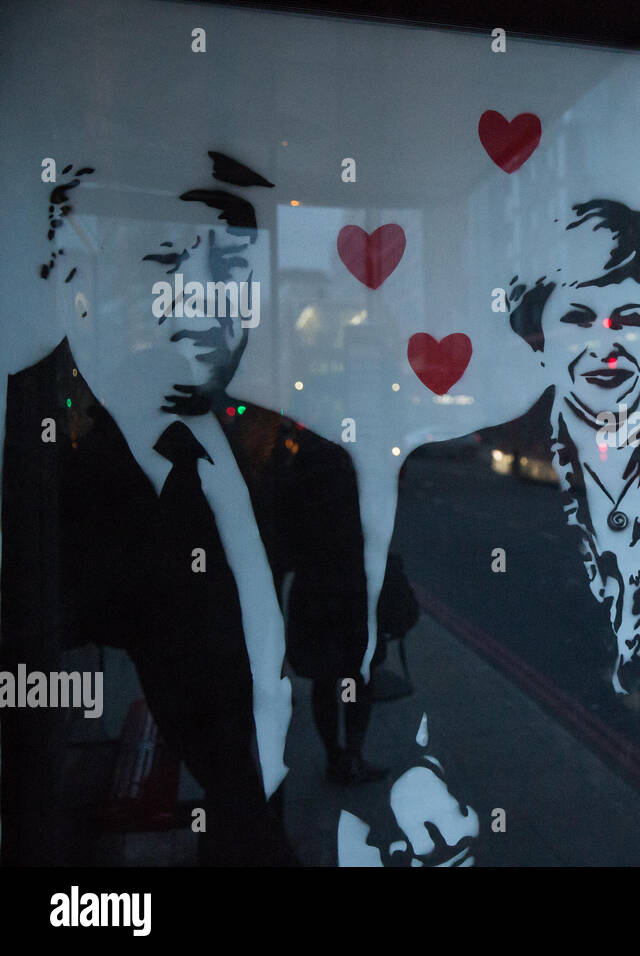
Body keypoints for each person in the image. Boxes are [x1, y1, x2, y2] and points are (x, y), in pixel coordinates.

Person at [0, 152, 372, 864]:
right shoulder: (75, 467)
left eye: (230, 278)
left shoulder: (257, 443)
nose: (207, 304)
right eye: (169, 265)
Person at [380, 199, 640, 864]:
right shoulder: (482, 446)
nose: (604, 344)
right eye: (577, 320)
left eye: (629, 319)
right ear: (539, 339)